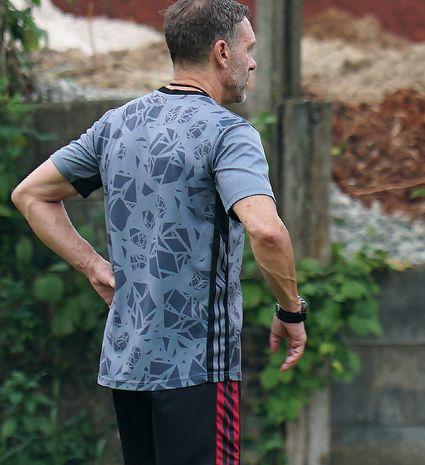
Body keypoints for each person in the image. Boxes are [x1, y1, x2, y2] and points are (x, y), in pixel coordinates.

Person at [11, 1, 308, 464]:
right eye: (249, 50)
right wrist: (291, 311)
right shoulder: (229, 134)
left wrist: (93, 266)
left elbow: (30, 194)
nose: (254, 62)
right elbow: (267, 231)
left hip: (127, 368)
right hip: (197, 372)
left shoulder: (117, 124)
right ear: (222, 51)